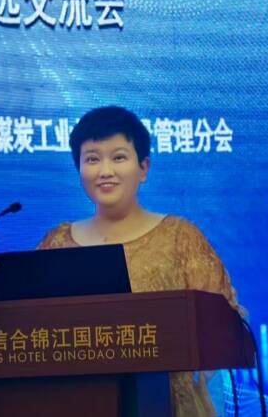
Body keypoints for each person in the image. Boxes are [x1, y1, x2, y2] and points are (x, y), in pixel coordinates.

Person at [37, 106, 244, 417]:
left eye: (118, 157)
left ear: (143, 168)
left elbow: (225, 320)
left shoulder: (180, 237)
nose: (105, 171)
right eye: (92, 159)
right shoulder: (57, 243)